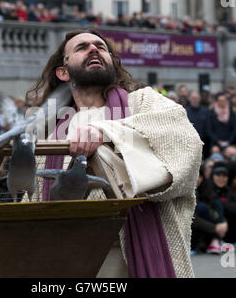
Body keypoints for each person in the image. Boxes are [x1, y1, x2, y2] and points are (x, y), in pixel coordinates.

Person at [26, 29, 203, 278]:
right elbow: (32, 197)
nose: (94, 49)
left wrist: (106, 131)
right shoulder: (50, 131)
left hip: (129, 252)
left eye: (100, 46)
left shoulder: (142, 103)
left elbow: (185, 143)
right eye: (82, 47)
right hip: (67, 253)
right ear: (62, 72)